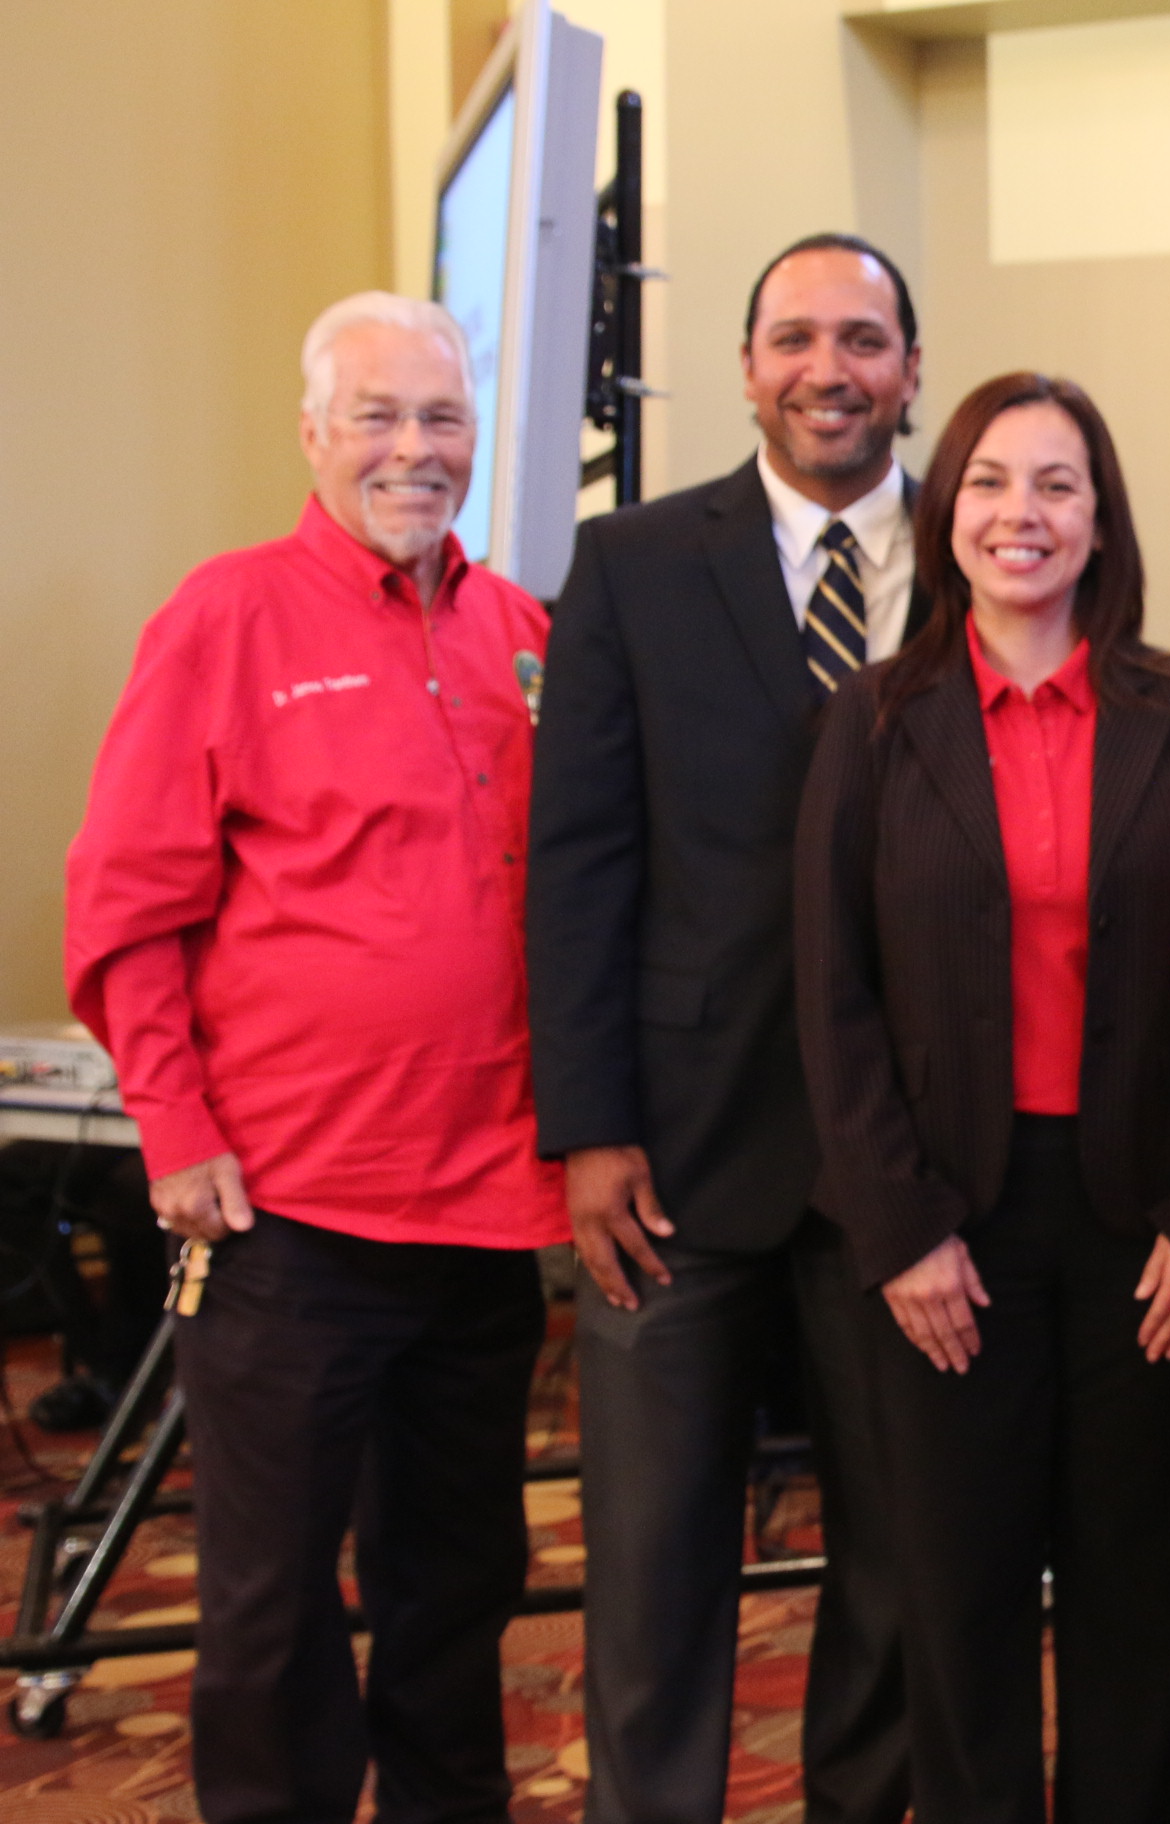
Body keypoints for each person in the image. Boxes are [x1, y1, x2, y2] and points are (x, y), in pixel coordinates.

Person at [64, 291, 565, 1824]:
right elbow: (125, 904)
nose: (414, 452)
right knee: (272, 1610)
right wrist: (174, 1127)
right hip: (287, 1214)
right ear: (312, 433)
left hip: (488, 1211)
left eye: (442, 421)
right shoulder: (222, 618)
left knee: (459, 1586)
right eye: (379, 418)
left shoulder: (521, 631)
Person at [794, 371, 1170, 1824]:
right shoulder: (874, 721)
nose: (1021, 515)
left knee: (1139, 1612)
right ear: (947, 514)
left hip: (1146, 1232)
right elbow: (831, 995)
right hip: (947, 1236)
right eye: (990, 481)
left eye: (1058, 485)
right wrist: (898, 1230)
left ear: (1102, 521)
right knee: (959, 1608)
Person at [527, 232, 921, 1824]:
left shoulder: (981, 558)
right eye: (796, 338)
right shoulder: (629, 564)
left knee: (897, 1567)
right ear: (749, 366)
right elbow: (579, 861)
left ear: (912, 366)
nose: (830, 369)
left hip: (907, 1161)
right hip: (675, 1158)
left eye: (865, 339)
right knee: (652, 1567)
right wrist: (588, 1127)